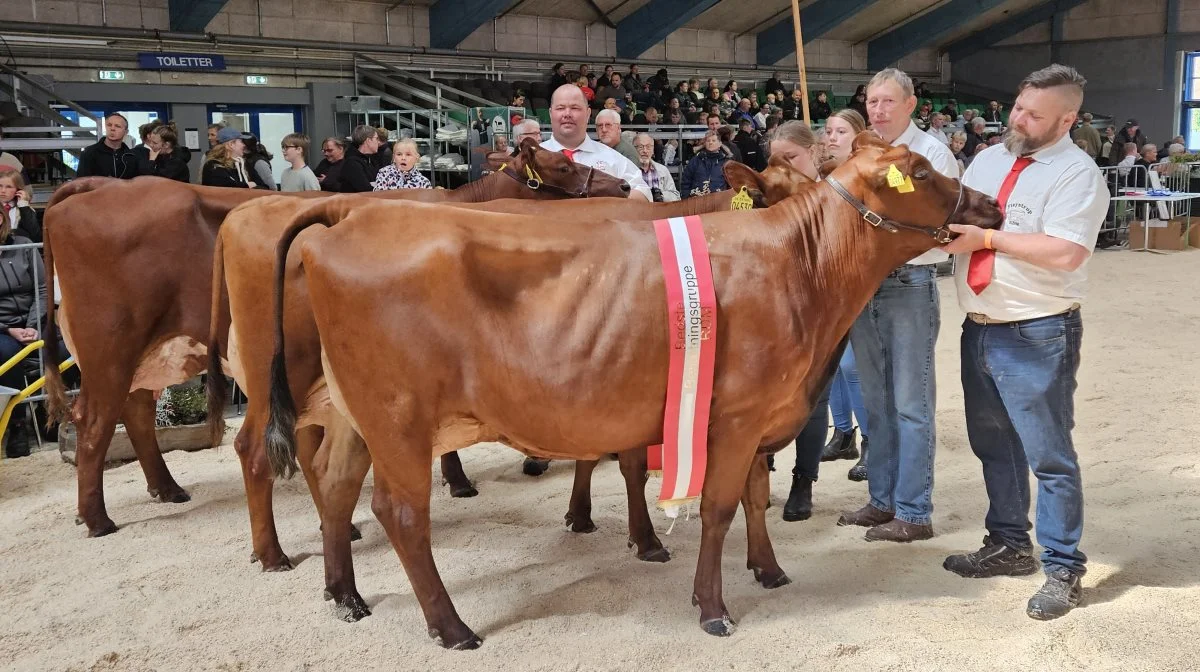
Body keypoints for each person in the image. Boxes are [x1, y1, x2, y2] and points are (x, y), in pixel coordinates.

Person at [940, 64, 1108, 621]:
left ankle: (1062, 566)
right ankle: (1009, 545)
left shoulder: (1078, 175)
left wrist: (987, 237)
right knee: (993, 445)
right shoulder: (988, 158)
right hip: (980, 325)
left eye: (1034, 115)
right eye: (1017, 107)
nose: (1019, 119)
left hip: (1039, 328)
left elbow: (1065, 251)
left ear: (1067, 119)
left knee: (1048, 454)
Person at [836, 68, 959, 543]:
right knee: (877, 401)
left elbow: (941, 225)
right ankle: (881, 500)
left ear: (911, 105)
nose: (878, 110)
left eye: (888, 102)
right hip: (864, 285)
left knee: (911, 402)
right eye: (871, 101)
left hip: (909, 282)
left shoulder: (930, 154)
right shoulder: (862, 154)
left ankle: (914, 509)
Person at [764, 120, 825, 520]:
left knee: (811, 394)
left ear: (814, 152)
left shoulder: (833, 193)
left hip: (820, 309)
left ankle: (803, 481)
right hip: (772, 307)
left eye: (792, 158)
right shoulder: (766, 192)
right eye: (776, 160)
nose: (783, 167)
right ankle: (759, 474)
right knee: (763, 393)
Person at [818, 109, 871, 480]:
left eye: (841, 131)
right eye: (828, 131)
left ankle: (872, 441)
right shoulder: (825, 176)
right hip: (827, 281)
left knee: (853, 365)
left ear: (858, 137)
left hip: (858, 277)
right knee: (832, 365)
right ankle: (843, 432)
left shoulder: (865, 175)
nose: (832, 137)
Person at [0, 184, 50, 458]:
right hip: (4, 327)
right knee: (8, 354)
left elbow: (42, 290)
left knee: (66, 347)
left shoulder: (22, 246)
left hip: (32, 320)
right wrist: (10, 329)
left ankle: (52, 414)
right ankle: (18, 423)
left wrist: (32, 324)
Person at [539, 84, 649, 200]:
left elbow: (643, 192)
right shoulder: (531, 159)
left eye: (575, 108)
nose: (567, 114)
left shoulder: (612, 158)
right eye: (560, 108)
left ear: (588, 114)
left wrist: (605, 203)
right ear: (551, 114)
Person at [76, 113, 140, 179]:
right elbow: (81, 182)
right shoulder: (89, 153)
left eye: (117, 126)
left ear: (126, 132)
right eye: (109, 125)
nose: (112, 128)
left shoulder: (131, 156)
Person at [680, 131, 729, 198]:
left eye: (713, 140)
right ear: (705, 143)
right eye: (708, 141)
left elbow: (732, 184)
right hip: (696, 201)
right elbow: (686, 181)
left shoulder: (726, 163)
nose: (710, 143)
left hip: (720, 201)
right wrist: (686, 197)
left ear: (720, 143)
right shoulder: (696, 160)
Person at [633, 132, 678, 202]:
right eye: (640, 147)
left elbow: (676, 196)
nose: (645, 151)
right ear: (633, 149)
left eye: (648, 147)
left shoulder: (663, 170)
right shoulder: (627, 170)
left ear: (653, 150)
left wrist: (661, 195)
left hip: (659, 211)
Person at [340, 125, 382, 193]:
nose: (379, 142)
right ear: (368, 140)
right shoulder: (352, 163)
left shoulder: (371, 159)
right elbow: (365, 189)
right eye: (376, 138)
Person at [0, 169, 40, 242]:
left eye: (9, 187)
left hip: (18, 251)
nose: (3, 190)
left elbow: (34, 234)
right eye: (0, 186)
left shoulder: (24, 209)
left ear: (18, 189)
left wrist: (23, 205)